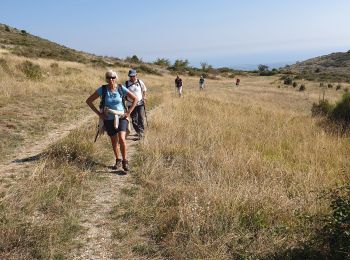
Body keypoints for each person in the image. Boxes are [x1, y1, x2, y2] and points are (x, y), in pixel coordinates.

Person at [86, 70, 137, 171]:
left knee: (122, 139)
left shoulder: (121, 88)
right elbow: (89, 101)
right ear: (106, 79)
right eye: (109, 77)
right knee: (114, 141)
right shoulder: (103, 89)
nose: (111, 79)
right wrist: (99, 114)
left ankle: (125, 161)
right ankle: (118, 160)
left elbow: (135, 98)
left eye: (113, 77)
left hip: (121, 117)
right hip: (108, 118)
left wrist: (128, 112)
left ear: (116, 78)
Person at [125, 69, 147, 139]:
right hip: (130, 104)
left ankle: (141, 132)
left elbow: (144, 90)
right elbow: (123, 93)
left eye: (133, 76)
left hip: (140, 103)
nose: (132, 77)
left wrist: (144, 97)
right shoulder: (126, 84)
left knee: (141, 118)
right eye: (130, 76)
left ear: (136, 75)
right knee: (134, 120)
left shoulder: (140, 82)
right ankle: (139, 132)